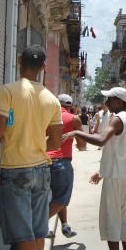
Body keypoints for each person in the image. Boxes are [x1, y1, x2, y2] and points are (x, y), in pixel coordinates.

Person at [0, 45, 62, 250]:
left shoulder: (7, 91)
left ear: (19, 61)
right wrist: (34, 139)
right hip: (42, 168)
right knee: (38, 230)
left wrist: (11, 131)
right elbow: (55, 140)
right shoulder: (52, 99)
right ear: (43, 67)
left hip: (16, 168)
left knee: (23, 234)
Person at [62, 87, 126, 250]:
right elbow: (121, 150)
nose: (106, 101)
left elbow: (100, 140)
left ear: (120, 101)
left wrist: (77, 132)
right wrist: (102, 170)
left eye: (110, 98)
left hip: (117, 178)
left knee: (112, 218)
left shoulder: (117, 119)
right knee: (125, 219)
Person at [47, 93, 84, 239]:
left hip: (43, 160)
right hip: (62, 162)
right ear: (70, 107)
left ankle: (65, 225)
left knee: (54, 196)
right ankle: (38, 226)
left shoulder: (46, 116)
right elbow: (82, 144)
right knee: (62, 197)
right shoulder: (73, 119)